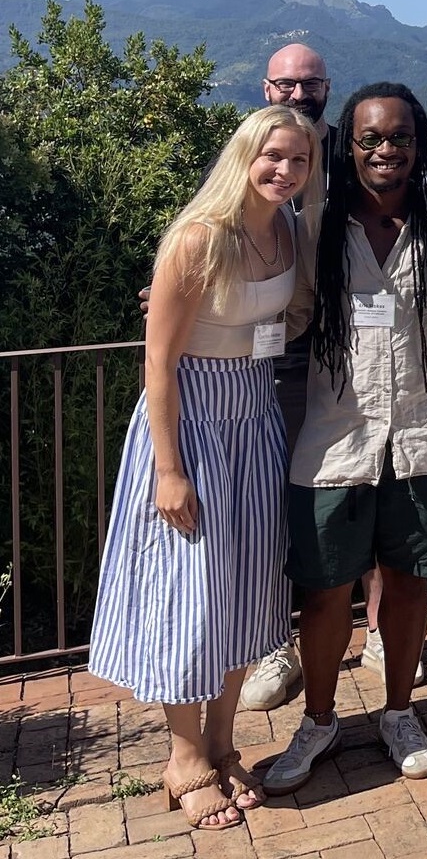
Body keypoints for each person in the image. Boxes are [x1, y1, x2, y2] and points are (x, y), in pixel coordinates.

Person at [89, 105, 321, 830]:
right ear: (245, 156)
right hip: (192, 425)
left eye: (300, 160)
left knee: (245, 586)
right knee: (191, 593)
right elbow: (157, 361)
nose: (285, 170)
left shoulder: (287, 230)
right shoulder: (198, 238)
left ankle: (224, 746)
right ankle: (183, 757)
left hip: (253, 420)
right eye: (273, 157)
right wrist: (168, 468)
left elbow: (289, 317)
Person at [264, 83, 427, 794]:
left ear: (419, 144)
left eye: (398, 137)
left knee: (407, 583)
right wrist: (194, 302)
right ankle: (321, 719)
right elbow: (287, 315)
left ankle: (398, 713)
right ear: (349, 147)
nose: (385, 150)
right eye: (369, 138)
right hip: (337, 442)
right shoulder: (314, 228)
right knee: (326, 591)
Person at [239, 43, 337, 713]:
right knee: (266, 506)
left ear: (326, 88)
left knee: (331, 504)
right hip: (260, 363)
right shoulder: (252, 154)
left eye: (310, 83)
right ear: (266, 86)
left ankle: (354, 634)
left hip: (334, 357)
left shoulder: (352, 154)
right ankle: (275, 645)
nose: (298, 93)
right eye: (286, 83)